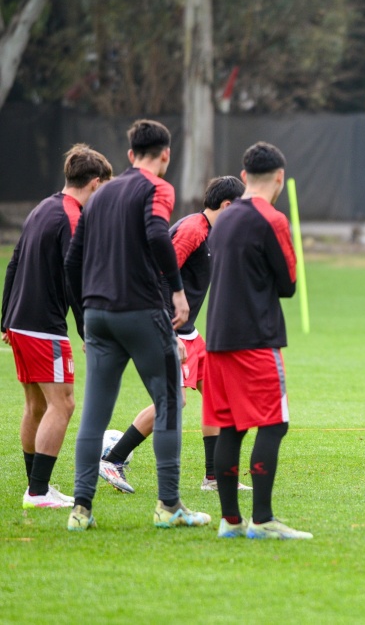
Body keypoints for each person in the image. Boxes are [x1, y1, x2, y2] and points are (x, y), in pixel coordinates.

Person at [64, 119, 211, 531]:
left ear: (129, 155)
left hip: (98, 314)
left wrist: (85, 313)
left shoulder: (100, 193)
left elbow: (72, 261)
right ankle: (169, 506)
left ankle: (81, 510)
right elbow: (156, 234)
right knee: (170, 403)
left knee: (94, 412)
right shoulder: (159, 188)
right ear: (165, 154)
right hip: (140, 310)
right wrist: (178, 292)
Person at [98, 176, 251, 494]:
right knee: (174, 400)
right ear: (227, 206)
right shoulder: (193, 229)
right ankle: (113, 459)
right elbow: (158, 273)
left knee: (217, 394)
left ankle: (213, 477)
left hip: (190, 332)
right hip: (169, 329)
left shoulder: (212, 233)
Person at [203, 142, 311, 540]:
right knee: (274, 423)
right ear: (279, 178)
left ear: (244, 177)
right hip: (256, 338)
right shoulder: (273, 219)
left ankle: (230, 522)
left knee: (230, 427)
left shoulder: (224, 218)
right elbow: (288, 285)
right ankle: (262, 520)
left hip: (218, 339)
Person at [2, 144, 112, 510]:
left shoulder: (41, 209)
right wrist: (88, 329)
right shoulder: (71, 216)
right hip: (44, 326)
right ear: (95, 184)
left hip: (20, 322)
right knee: (62, 404)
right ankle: (37, 492)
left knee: (36, 406)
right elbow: (74, 278)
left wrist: (5, 317)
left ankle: (38, 488)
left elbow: (13, 264)